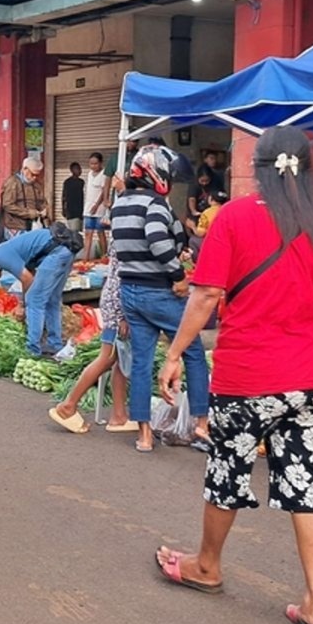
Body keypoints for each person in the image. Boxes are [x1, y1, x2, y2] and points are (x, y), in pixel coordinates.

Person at [154, 126, 313, 624]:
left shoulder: (236, 218)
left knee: (228, 471)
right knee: (308, 486)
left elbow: (205, 297)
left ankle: (207, 565)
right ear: (308, 171)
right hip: (311, 377)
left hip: (248, 376)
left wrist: (175, 353)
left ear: (258, 169)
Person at [111, 144, 210, 454]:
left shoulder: (120, 204)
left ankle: (144, 435)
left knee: (141, 360)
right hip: (158, 291)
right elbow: (157, 241)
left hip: (130, 291)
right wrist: (179, 276)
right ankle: (201, 425)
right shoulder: (154, 204)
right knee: (192, 350)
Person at [47, 253, 134, 434]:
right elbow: (125, 274)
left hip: (114, 296)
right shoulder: (129, 232)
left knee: (119, 358)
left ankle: (119, 416)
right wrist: (122, 314)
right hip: (118, 301)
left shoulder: (121, 229)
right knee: (107, 358)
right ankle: (68, 405)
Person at [0, 224, 76, 358]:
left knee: (34, 301)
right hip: (66, 248)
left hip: (56, 251)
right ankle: (55, 345)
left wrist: (23, 305)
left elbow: (27, 279)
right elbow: (30, 269)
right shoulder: (2, 251)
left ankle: (33, 349)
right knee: (52, 300)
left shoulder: (1, 257)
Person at [0, 155, 48, 237]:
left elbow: (42, 202)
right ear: (25, 169)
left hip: (32, 226)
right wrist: (28, 213)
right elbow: (7, 205)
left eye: (37, 175)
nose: (34, 178)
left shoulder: (36, 185)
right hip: (15, 227)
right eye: (32, 174)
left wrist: (44, 210)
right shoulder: (13, 183)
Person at [82, 152, 110, 261]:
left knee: (100, 232)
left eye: (95, 163)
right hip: (88, 208)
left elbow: (104, 192)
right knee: (88, 233)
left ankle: (104, 256)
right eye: (91, 163)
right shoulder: (89, 174)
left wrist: (96, 205)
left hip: (99, 209)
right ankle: (85, 258)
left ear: (101, 163)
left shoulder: (104, 174)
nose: (93, 166)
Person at [62, 162, 85, 235]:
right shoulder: (67, 182)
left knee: (78, 232)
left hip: (80, 212)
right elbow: (64, 197)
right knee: (73, 232)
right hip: (71, 212)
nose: (79, 171)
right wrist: (64, 209)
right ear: (72, 170)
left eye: (80, 169)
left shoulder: (81, 182)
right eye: (77, 169)